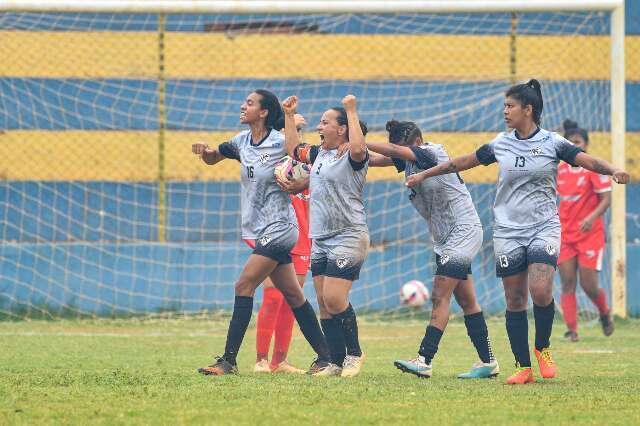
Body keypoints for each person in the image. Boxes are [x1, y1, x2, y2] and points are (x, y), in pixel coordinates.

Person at [406, 79, 629, 385]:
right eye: (504, 106)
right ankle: (523, 366)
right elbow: (462, 162)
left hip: (544, 226)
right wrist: (424, 174)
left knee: (541, 289)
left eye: (510, 106)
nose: (505, 111)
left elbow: (585, 159)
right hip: (508, 231)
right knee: (514, 299)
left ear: (528, 109)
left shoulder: (553, 142)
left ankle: (543, 348)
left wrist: (613, 169)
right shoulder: (501, 143)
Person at [191, 90, 332, 376]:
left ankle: (228, 361)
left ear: (264, 112)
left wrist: (293, 123)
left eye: (250, 103)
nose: (243, 106)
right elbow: (212, 158)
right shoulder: (240, 142)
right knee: (294, 295)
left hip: (281, 227)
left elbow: (304, 159)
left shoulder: (280, 142)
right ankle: (327, 357)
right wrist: (204, 151)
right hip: (260, 229)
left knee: (244, 286)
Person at [364, 120, 498, 379]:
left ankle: (424, 359)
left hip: (463, 231)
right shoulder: (409, 161)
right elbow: (374, 160)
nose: (397, 154)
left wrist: (362, 141)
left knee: (439, 294)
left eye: (399, 148)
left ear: (414, 142)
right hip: (445, 239)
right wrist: (349, 149)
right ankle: (488, 361)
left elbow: (395, 153)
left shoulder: (432, 152)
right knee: (467, 301)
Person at [282, 94, 369, 377]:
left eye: (325, 122)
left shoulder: (353, 154)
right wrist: (288, 115)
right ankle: (334, 361)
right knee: (323, 302)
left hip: (348, 234)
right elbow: (294, 149)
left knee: (334, 298)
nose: (320, 126)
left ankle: (354, 354)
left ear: (341, 128)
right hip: (320, 236)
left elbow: (358, 147)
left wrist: (350, 110)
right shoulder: (320, 154)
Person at [254, 114, 311, 374]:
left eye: (301, 128)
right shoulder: (273, 161)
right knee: (272, 296)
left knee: (293, 299)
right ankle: (261, 360)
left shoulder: (311, 161)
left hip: (304, 237)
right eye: (294, 128)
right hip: (278, 233)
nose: (299, 132)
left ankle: (280, 360)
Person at [557, 119, 614, 342]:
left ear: (587, 145)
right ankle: (572, 330)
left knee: (588, 285)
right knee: (567, 281)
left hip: (590, 234)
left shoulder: (594, 168)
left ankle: (604, 312)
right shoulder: (559, 170)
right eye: (571, 143)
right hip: (565, 234)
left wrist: (591, 217)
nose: (575, 147)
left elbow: (606, 199)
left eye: (579, 142)